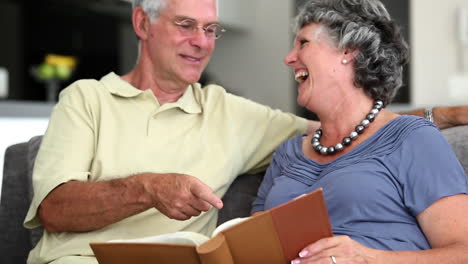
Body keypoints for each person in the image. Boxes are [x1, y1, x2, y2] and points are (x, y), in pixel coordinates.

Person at [23, 0, 467, 263]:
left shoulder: (233, 113)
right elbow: (54, 211)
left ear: (348, 54)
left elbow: (356, 123)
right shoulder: (85, 99)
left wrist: (445, 114)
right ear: (142, 24)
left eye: (211, 29)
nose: (202, 41)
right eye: (185, 25)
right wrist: (147, 189)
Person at [251, 0, 468, 264]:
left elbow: (462, 252)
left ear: (349, 50)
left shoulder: (412, 138)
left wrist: (368, 258)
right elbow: (252, 246)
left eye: (303, 43)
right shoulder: (287, 154)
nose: (288, 58)